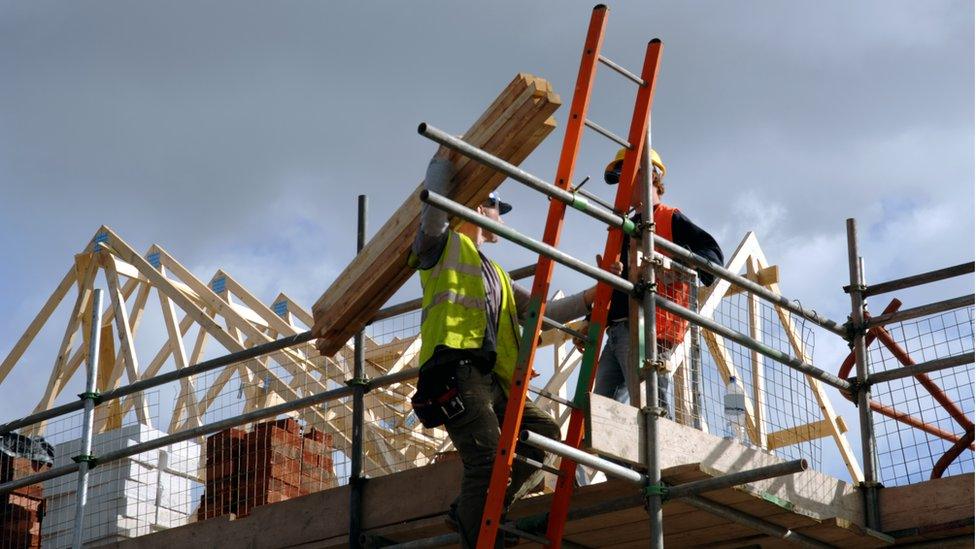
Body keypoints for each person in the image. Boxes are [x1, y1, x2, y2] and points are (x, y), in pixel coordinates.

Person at [410, 146, 597, 548]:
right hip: (456, 368)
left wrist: (589, 298)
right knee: (488, 461)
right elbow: (435, 211)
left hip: (492, 378)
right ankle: (481, 537)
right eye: (497, 206)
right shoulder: (439, 248)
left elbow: (541, 312)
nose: (501, 215)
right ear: (477, 204)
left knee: (545, 435)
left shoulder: (494, 273)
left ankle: (476, 514)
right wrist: (442, 161)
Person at [591, 147, 723, 416]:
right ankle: (615, 460)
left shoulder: (668, 218)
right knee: (603, 415)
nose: (619, 189)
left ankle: (656, 457)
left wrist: (675, 266)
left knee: (652, 409)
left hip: (651, 329)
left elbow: (713, 259)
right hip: (617, 330)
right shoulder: (625, 227)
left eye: (624, 178)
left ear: (647, 176)